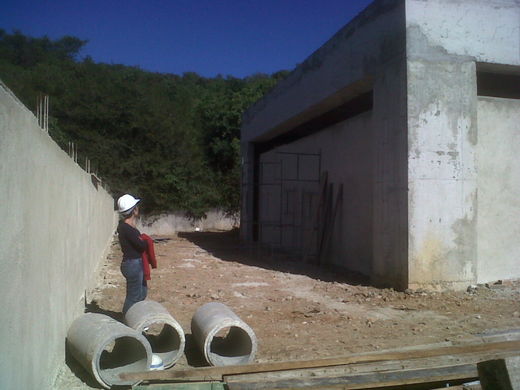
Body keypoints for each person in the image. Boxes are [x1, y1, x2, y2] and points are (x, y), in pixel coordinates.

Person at [117, 194, 148, 314]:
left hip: (133, 263)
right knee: (133, 297)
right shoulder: (128, 229)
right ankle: (127, 319)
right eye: (137, 206)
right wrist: (144, 241)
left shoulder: (126, 227)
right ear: (134, 210)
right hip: (133, 264)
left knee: (142, 292)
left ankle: (136, 316)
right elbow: (141, 246)